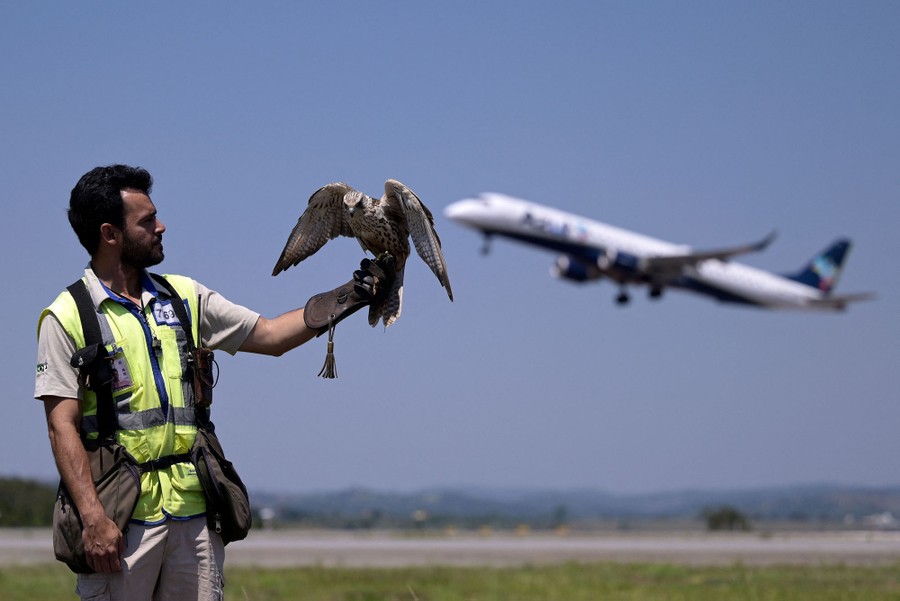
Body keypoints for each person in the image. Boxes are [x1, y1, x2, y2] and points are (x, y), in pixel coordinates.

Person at [34, 164, 392, 600]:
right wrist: (93, 519)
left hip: (195, 516)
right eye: (147, 221)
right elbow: (62, 427)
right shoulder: (67, 316)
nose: (161, 226)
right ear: (110, 234)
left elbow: (272, 335)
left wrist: (352, 294)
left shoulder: (184, 297)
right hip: (120, 523)